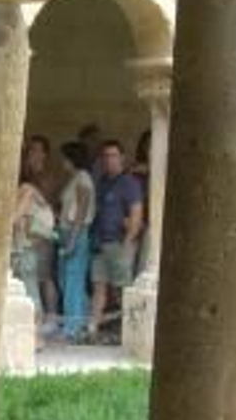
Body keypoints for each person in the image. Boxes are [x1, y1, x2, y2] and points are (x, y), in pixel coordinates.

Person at [89, 140, 144, 342]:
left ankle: (132, 333)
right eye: (105, 156)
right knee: (99, 286)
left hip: (120, 244)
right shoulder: (103, 182)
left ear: (122, 157)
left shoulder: (129, 183)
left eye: (113, 155)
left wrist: (127, 244)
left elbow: (136, 215)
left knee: (123, 291)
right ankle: (92, 330)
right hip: (101, 243)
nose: (108, 159)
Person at [55, 140, 96, 341]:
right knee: (66, 280)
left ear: (72, 159)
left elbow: (81, 212)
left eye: (64, 158)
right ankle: (83, 319)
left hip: (76, 233)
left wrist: (72, 240)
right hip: (66, 231)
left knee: (72, 280)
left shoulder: (83, 178)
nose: (61, 163)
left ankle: (72, 328)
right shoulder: (74, 178)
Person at [21, 135, 61, 329]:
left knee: (45, 276)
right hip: (29, 232)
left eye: (37, 149)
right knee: (31, 276)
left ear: (45, 153)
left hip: (43, 231)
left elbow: (43, 199)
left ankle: (52, 316)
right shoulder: (28, 173)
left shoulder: (47, 175)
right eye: (31, 149)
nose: (33, 153)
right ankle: (37, 318)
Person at [11, 172, 56, 319]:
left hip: (24, 251)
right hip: (28, 250)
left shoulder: (26, 189)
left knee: (30, 295)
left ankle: (37, 336)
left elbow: (15, 218)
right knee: (30, 293)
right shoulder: (42, 203)